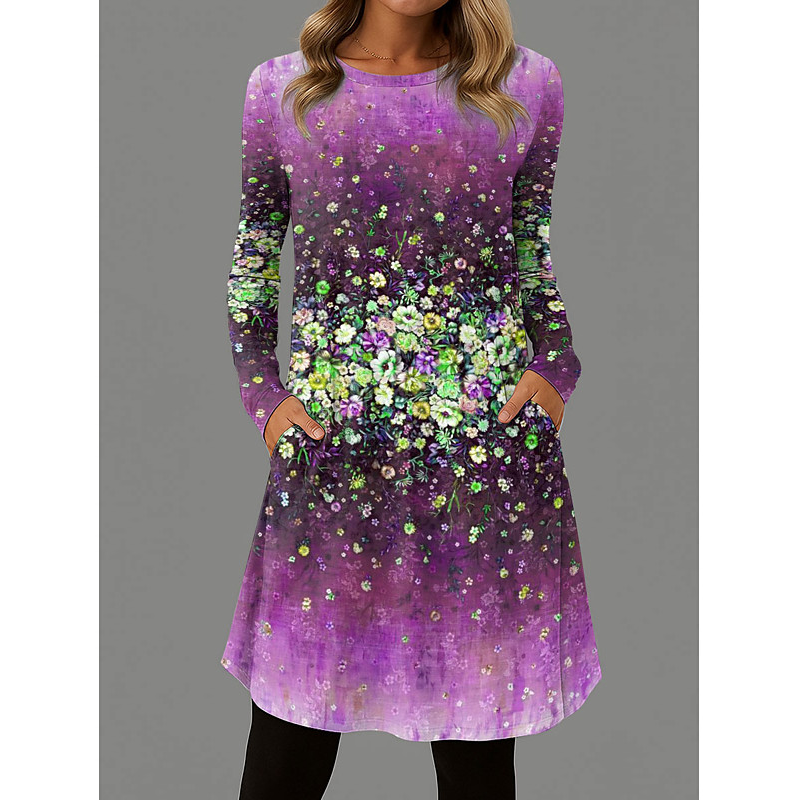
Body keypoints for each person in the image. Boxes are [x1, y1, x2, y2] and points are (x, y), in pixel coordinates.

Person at [221, 1, 602, 797]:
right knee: (290, 732)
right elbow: (256, 252)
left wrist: (556, 366)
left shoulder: (525, 83)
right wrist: (263, 393)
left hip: (485, 459)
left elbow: (530, 244)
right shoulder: (282, 90)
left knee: (477, 746)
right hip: (334, 455)